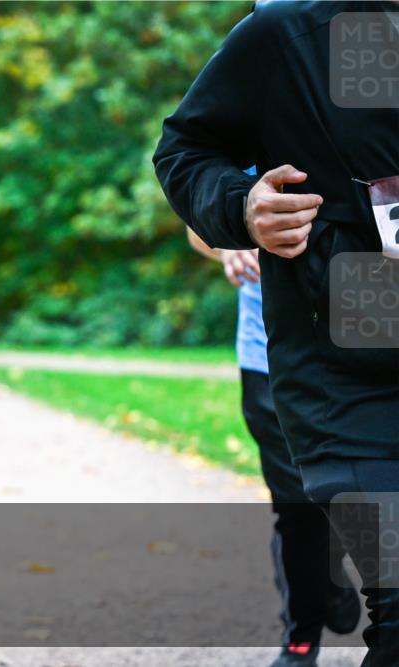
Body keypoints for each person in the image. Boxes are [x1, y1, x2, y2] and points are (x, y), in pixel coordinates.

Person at [154, 2, 398, 665]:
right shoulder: (288, 35)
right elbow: (187, 152)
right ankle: (304, 629)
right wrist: (244, 213)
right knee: (303, 511)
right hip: (344, 375)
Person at [188, 229, 359, 666]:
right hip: (267, 358)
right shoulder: (259, 174)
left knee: (349, 488)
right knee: (296, 501)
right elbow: (196, 222)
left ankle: (329, 575)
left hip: (364, 353)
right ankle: (301, 636)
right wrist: (227, 246)